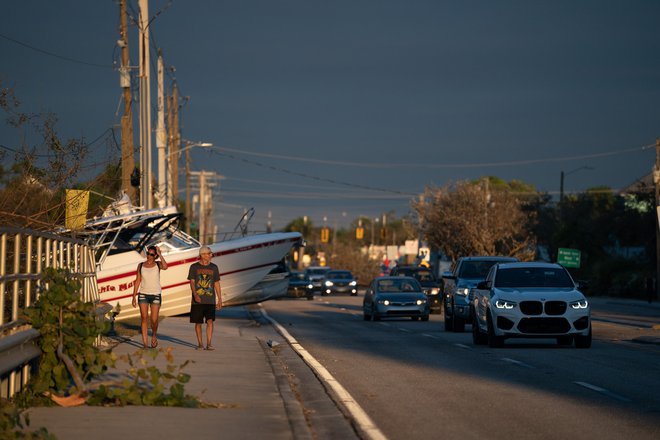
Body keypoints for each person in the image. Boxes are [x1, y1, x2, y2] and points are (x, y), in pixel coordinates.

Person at [132, 245, 168, 349]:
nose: (149, 256)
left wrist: (160, 254)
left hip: (156, 294)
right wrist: (134, 296)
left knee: (154, 320)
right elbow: (137, 280)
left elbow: (165, 267)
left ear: (155, 255)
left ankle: (154, 335)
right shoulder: (140, 265)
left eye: (152, 254)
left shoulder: (158, 264)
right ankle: (145, 344)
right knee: (144, 318)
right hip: (143, 294)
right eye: (148, 253)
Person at [187, 246, 222, 350]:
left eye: (210, 253)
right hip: (197, 300)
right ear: (202, 255)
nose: (211, 255)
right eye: (209, 253)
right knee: (198, 322)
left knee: (210, 321)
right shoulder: (194, 267)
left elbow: (216, 283)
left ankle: (209, 343)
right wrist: (195, 295)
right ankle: (200, 344)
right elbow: (192, 282)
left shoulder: (214, 267)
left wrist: (220, 299)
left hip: (210, 300)